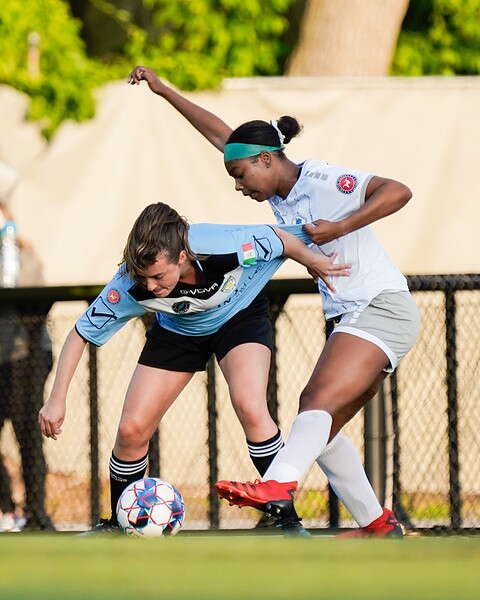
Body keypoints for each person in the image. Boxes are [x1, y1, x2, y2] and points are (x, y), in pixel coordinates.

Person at [127, 66, 420, 537]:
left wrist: (340, 227)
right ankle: (378, 525)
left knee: (313, 403)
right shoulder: (279, 192)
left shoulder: (321, 180)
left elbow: (398, 191)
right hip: (353, 312)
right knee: (320, 432)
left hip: (380, 306)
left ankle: (279, 486)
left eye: (241, 175)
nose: (239, 187)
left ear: (266, 159)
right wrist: (165, 92)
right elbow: (223, 135)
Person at [38, 202, 350, 534]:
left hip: (239, 317)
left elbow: (282, 238)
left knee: (250, 405)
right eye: (144, 278)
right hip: (178, 330)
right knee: (131, 429)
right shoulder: (130, 285)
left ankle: (285, 519)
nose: (152, 287)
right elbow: (80, 334)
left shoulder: (221, 247)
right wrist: (57, 399)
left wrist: (314, 260)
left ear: (183, 256)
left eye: (158, 276)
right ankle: (118, 522)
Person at [0, 172, 55, 532]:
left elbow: (32, 296)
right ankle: (5, 507)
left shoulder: (22, 254)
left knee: (28, 435)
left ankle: (35, 512)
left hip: (24, 357)